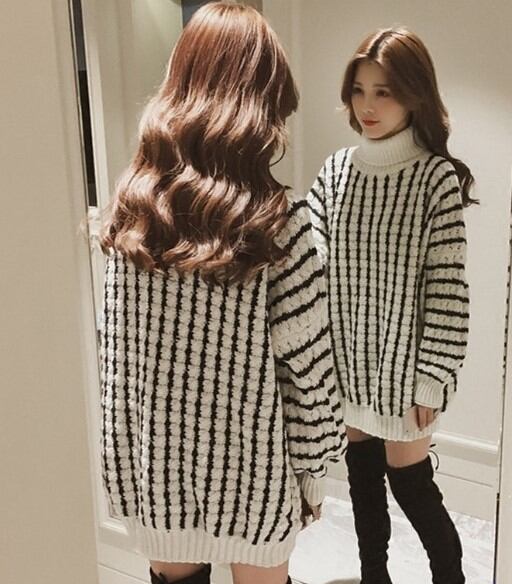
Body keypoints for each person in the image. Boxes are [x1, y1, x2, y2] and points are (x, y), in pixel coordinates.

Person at [98, 3, 346, 584]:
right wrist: (312, 475)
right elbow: (307, 372)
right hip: (254, 482)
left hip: (157, 477)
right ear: (262, 104)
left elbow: (118, 363)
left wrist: (126, 478)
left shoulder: (134, 212)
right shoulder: (280, 222)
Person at [307, 27, 476, 584]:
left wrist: (433, 378)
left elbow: (448, 290)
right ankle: (373, 576)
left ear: (414, 94)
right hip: (348, 363)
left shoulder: (433, 178)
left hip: (404, 371)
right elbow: (310, 262)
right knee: (361, 481)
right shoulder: (336, 171)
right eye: (359, 90)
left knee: (411, 486)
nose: (368, 106)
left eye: (384, 92)